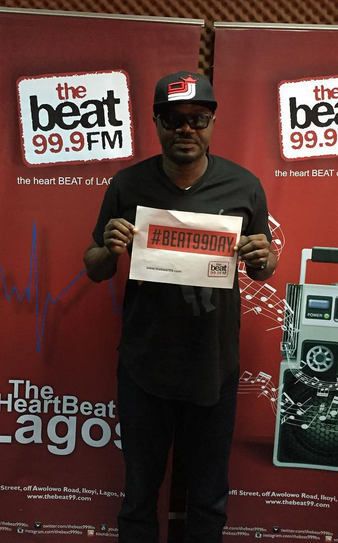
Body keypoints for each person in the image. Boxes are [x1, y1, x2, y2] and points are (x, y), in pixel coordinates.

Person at [83, 71, 276, 543]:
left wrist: (265, 256)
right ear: (156, 123)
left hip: (214, 366)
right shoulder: (127, 185)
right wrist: (108, 248)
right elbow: (94, 267)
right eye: (173, 119)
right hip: (144, 367)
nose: (185, 129)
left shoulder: (244, 186)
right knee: (138, 497)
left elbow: (263, 269)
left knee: (208, 498)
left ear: (212, 122)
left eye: (197, 118)